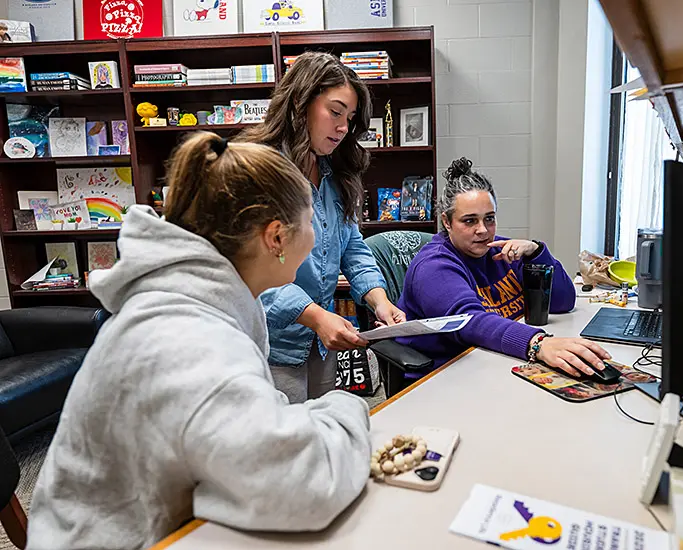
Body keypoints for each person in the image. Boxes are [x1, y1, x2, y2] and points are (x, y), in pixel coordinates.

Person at [26, 133, 371, 548]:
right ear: (277, 237)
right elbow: (306, 486)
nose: (316, 238)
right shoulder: (191, 340)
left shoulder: (198, 301)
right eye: (312, 223)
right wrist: (346, 407)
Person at [237, 52, 405, 403]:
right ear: (301, 103)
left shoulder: (333, 172)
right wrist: (314, 316)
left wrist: (379, 300)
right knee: (283, 432)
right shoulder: (259, 169)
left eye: (350, 118)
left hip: (319, 343)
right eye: (335, 112)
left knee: (317, 425)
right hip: (273, 345)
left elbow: (352, 245)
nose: (343, 127)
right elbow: (249, 269)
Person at [397, 157, 611, 378]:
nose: (483, 230)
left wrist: (536, 252)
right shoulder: (433, 267)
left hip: (497, 359)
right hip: (447, 374)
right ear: (447, 222)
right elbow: (468, 322)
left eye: (489, 219)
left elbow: (562, 302)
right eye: (470, 221)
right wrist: (538, 343)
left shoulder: (503, 250)